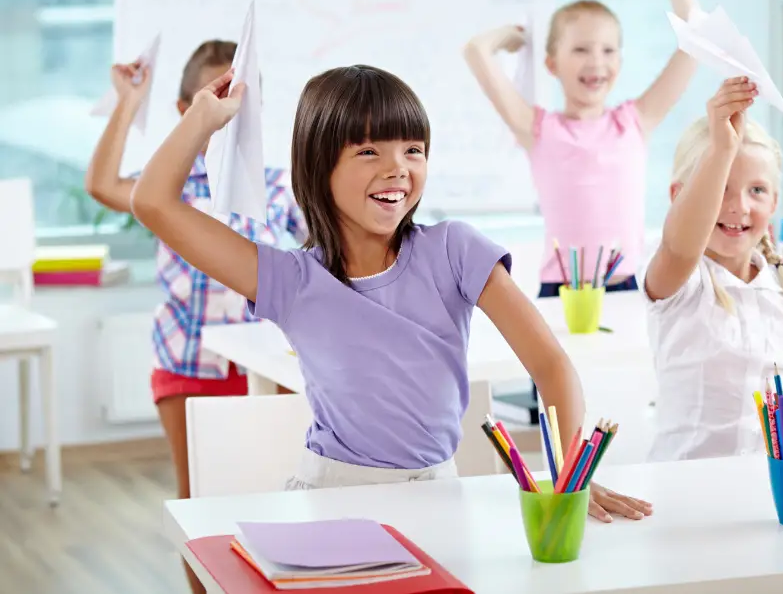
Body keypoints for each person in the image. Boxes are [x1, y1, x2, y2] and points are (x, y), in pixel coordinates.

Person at [129, 63, 653, 526]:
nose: (397, 167)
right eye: (368, 151)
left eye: (413, 149)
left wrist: (569, 474)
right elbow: (152, 202)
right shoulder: (290, 280)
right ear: (318, 165)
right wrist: (201, 118)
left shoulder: (455, 250)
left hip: (439, 494)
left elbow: (552, 366)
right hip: (332, 499)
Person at [84, 40, 305, 594]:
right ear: (189, 111)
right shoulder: (171, 184)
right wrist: (128, 102)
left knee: (276, 496)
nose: (233, 112)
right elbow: (104, 186)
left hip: (270, 368)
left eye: (244, 100)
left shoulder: (280, 185)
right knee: (202, 502)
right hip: (188, 362)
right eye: (219, 97)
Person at [463, 0, 700, 298]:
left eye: (608, 50)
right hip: (560, 291)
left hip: (625, 286)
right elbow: (476, 51)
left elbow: (695, 42)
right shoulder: (537, 129)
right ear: (552, 63)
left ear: (620, 62)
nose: (596, 62)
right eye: (581, 49)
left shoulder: (634, 122)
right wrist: (510, 36)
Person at [641, 76, 783, 462]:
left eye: (756, 190)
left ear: (774, 202)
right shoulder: (680, 282)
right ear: (678, 198)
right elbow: (680, 244)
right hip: (685, 493)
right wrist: (721, 149)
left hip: (773, 493)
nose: (739, 207)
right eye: (721, 188)